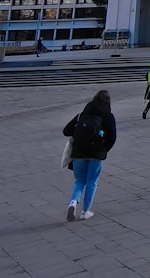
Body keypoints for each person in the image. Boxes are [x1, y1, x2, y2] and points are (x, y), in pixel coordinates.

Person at [62, 89, 116, 222]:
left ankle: (73, 203)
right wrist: (104, 149)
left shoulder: (82, 114)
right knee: (92, 182)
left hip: (79, 153)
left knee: (79, 180)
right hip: (96, 154)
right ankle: (85, 212)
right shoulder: (108, 116)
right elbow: (112, 138)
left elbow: (66, 131)